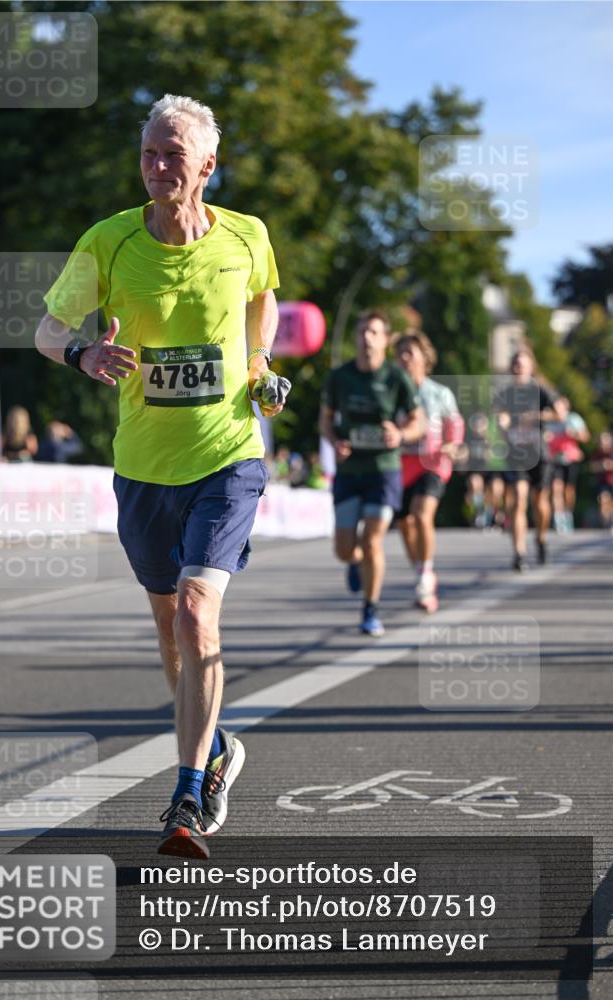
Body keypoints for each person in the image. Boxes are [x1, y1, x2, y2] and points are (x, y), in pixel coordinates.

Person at [35, 94, 283, 860]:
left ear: (207, 164)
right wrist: (83, 355)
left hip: (227, 455)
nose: (157, 165)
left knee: (196, 614)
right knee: (169, 628)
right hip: (143, 466)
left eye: (172, 153)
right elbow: (47, 331)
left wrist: (259, 363)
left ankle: (185, 793)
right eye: (148, 152)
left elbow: (263, 301)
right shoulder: (107, 243)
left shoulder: (246, 235)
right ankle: (214, 746)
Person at [320, 309, 423, 637]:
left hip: (383, 471)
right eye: (362, 331)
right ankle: (354, 562)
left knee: (374, 540)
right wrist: (335, 441)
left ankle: (370, 609)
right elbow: (325, 420)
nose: (367, 338)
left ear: (385, 340)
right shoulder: (339, 377)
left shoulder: (396, 378)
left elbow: (418, 422)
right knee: (345, 548)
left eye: (374, 332)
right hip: (349, 471)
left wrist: (401, 435)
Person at [394, 331, 464, 613]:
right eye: (400, 353)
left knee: (422, 514)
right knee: (404, 524)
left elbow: (455, 425)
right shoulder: (391, 391)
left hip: (432, 464)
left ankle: (424, 577)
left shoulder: (440, 393)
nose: (404, 358)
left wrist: (452, 445)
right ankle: (422, 572)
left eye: (410, 352)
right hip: (399, 466)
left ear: (425, 357)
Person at [496, 347, 558, 571]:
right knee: (518, 500)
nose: (518, 369)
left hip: (540, 453)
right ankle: (519, 552)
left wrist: (538, 416)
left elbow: (560, 412)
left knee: (540, 502)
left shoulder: (540, 390)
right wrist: (502, 421)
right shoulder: (506, 393)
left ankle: (540, 539)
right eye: (515, 365)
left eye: (522, 365)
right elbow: (500, 414)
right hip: (517, 454)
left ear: (531, 367)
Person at [546, 396, 589, 533]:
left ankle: (568, 513)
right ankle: (559, 519)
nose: (557, 409)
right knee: (556, 488)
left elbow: (585, 437)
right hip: (554, 459)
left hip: (570, 459)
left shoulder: (573, 419)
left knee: (568, 490)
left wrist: (573, 434)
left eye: (560, 406)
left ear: (566, 407)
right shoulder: (549, 420)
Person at [590, 431, 613, 530]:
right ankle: (606, 523)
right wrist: (602, 465)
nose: (603, 445)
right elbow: (592, 467)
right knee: (603, 500)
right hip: (603, 482)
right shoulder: (597, 454)